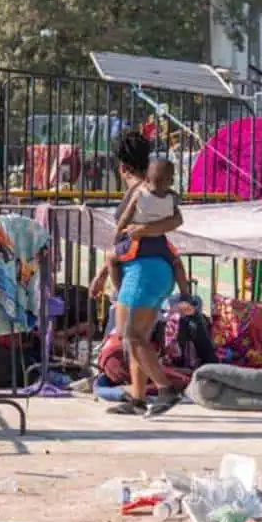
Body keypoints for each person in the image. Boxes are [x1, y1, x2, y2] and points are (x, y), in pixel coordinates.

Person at [94, 131, 185, 417]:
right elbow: (122, 243)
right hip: (153, 269)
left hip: (142, 271)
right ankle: (137, 396)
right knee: (135, 337)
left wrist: (142, 230)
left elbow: (170, 222)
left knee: (130, 336)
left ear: (122, 167)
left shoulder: (140, 191)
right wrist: (101, 274)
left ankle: (165, 388)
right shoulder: (151, 191)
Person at [106, 159, 190, 298]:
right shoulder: (172, 198)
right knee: (177, 263)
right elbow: (177, 218)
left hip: (137, 242)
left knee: (110, 258)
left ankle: (119, 291)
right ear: (171, 181)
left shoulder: (139, 194)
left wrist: (118, 235)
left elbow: (125, 217)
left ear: (146, 178)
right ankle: (185, 293)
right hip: (159, 242)